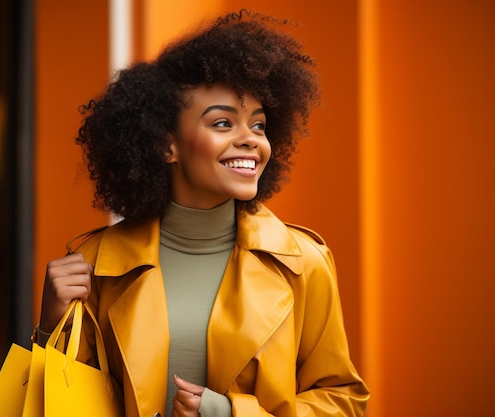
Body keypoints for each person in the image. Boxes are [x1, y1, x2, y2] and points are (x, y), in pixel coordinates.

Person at [33, 9, 370, 417]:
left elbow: (343, 402)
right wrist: (51, 329)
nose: (251, 140)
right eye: (224, 123)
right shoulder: (96, 266)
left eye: (259, 126)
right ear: (165, 145)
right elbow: (66, 403)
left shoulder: (303, 264)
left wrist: (232, 415)